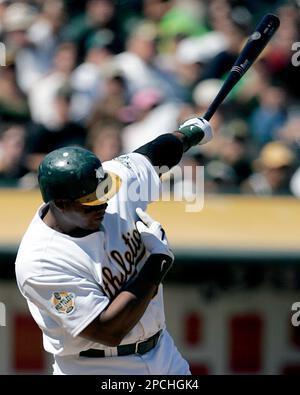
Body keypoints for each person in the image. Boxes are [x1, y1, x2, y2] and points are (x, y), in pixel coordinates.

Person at [15, 116, 213, 375]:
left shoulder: (107, 182)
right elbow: (108, 330)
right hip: (95, 365)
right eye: (92, 202)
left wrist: (188, 134)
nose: (104, 204)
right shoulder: (41, 261)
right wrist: (156, 264)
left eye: (104, 193)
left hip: (163, 352)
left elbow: (150, 157)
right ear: (60, 204)